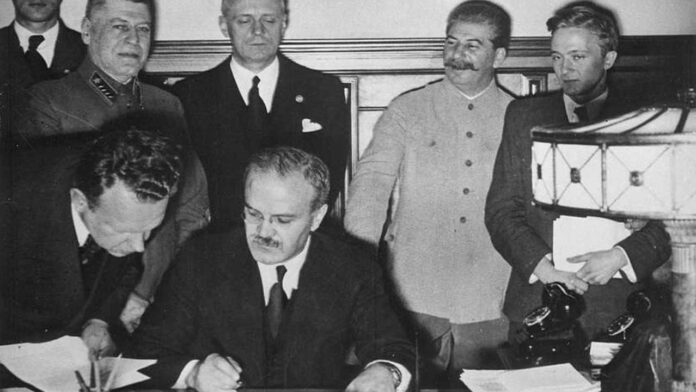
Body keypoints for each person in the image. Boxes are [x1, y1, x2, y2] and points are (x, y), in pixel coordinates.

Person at [129, 147, 415, 392]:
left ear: (316, 218)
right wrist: (193, 372)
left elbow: (394, 347)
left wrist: (385, 371)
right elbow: (145, 350)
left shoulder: (351, 266)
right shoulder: (201, 258)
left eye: (282, 220)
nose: (263, 232)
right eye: (253, 214)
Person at [10, 0, 210, 336]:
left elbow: (191, 210)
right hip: (76, 311)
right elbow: (45, 222)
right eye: (120, 26)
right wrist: (108, 307)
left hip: (155, 301)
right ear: (87, 31)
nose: (134, 38)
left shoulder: (166, 105)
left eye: (143, 28)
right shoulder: (48, 101)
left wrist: (150, 290)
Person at [344, 0, 513, 380]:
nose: (457, 55)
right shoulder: (407, 109)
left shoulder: (517, 117)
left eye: (473, 45)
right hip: (414, 293)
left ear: (498, 56)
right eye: (451, 43)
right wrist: (358, 262)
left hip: (491, 297)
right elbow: (371, 185)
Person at [485, 1, 671, 342]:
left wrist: (622, 256)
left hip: (623, 308)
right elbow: (500, 211)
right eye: (557, 57)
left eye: (577, 56)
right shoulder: (522, 116)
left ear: (609, 59)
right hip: (538, 303)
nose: (564, 68)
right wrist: (545, 270)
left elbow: (678, 218)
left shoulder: (650, 118)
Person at [0, 129, 182, 359]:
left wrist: (99, 319)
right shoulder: (13, 204)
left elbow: (121, 266)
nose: (139, 246)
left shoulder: (134, 195)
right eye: (125, 231)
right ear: (80, 201)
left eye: (148, 231)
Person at [173, 0, 349, 232]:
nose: (258, 31)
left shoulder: (323, 91)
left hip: (299, 242)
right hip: (216, 247)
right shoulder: (188, 96)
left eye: (269, 20)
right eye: (244, 20)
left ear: (283, 24)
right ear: (224, 26)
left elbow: (329, 180)